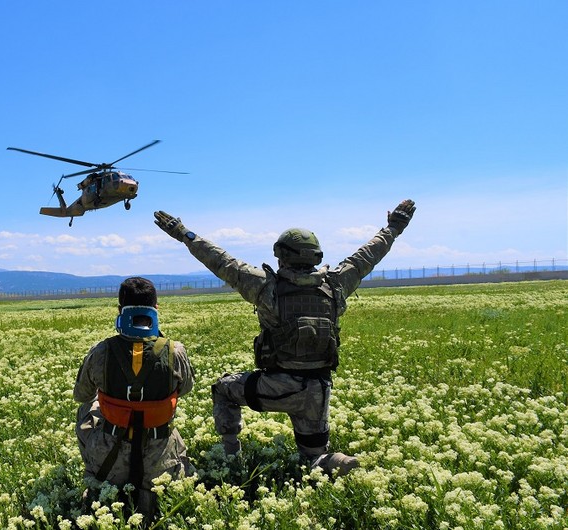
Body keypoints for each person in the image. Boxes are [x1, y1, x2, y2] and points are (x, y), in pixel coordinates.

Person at [153, 200, 416, 477]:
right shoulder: (336, 283)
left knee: (223, 389)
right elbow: (367, 255)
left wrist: (184, 234)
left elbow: (221, 260)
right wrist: (393, 228)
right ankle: (332, 460)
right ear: (316, 256)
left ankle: (231, 456)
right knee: (312, 458)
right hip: (317, 390)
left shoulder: (265, 287)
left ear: (281, 256)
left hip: (274, 386)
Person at [74, 277, 195, 520]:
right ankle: (150, 491)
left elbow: (82, 395)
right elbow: (185, 389)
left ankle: (97, 476)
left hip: (111, 458)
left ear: (120, 312)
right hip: (161, 462)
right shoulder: (175, 351)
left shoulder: (101, 351)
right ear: (156, 311)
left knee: (87, 407)